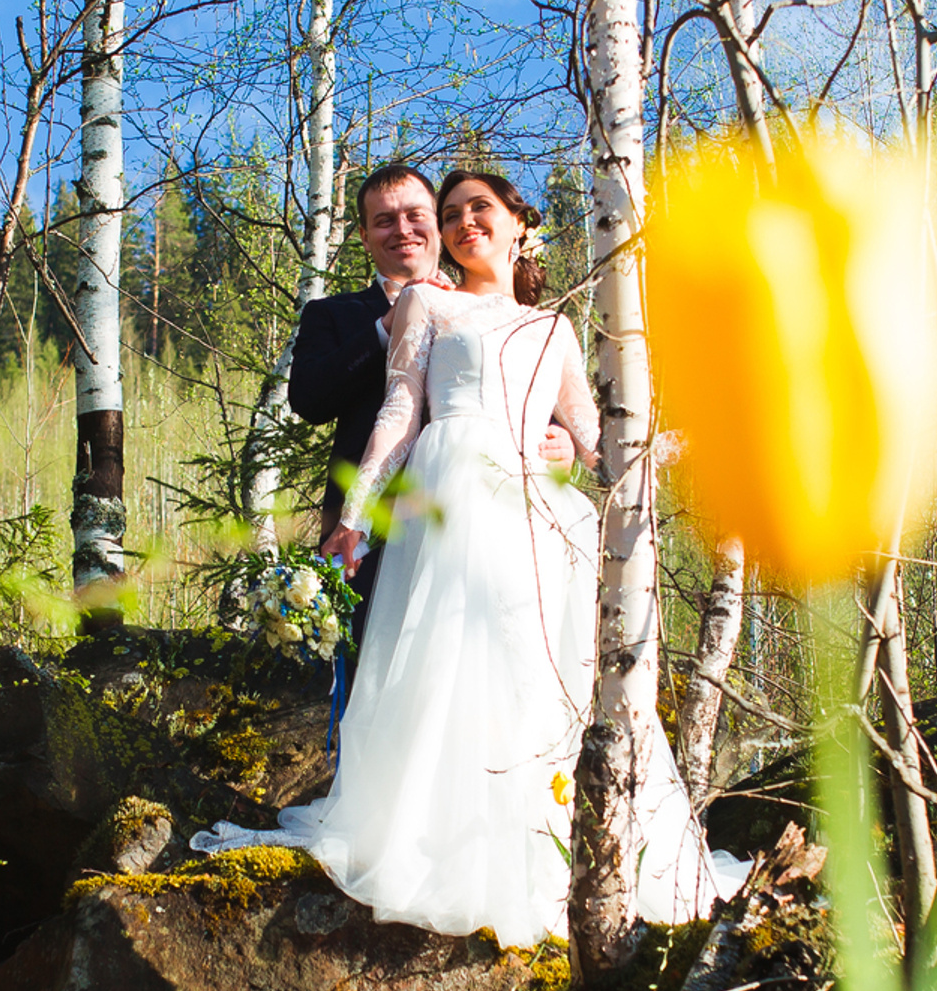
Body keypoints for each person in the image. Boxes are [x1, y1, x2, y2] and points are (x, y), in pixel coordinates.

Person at [198, 168, 739, 948]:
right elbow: (398, 410)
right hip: (444, 501)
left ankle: (541, 846)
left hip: (529, 515)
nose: (460, 224)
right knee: (441, 669)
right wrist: (353, 517)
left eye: (475, 208)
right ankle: (439, 841)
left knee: (530, 675)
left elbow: (594, 444)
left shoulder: (555, 329)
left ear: (520, 222)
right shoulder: (428, 303)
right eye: (450, 214)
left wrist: (683, 442)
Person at [287, 163, 569, 700]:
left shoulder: (504, 312)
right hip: (374, 527)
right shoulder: (335, 314)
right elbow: (309, 398)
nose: (402, 230)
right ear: (366, 236)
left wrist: (562, 442)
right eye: (383, 221)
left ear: (438, 228)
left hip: (485, 520)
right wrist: (384, 328)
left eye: (416, 215)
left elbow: (527, 396)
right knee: (376, 685)